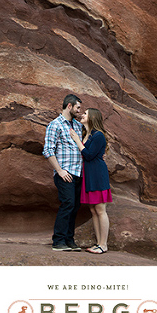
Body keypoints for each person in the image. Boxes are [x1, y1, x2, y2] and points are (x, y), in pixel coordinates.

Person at [43, 94, 85, 251]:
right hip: (65, 173)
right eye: (78, 108)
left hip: (78, 173)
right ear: (69, 106)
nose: (80, 111)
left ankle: (69, 240)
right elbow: (48, 150)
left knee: (75, 207)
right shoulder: (55, 125)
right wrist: (59, 170)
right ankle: (58, 241)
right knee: (67, 204)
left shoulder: (77, 126)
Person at [69, 108, 112, 254]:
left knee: (100, 209)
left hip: (97, 174)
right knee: (93, 210)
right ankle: (98, 243)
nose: (83, 115)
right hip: (89, 175)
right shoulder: (87, 134)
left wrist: (76, 140)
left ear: (92, 117)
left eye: (85, 113)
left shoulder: (98, 135)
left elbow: (88, 155)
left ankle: (104, 244)